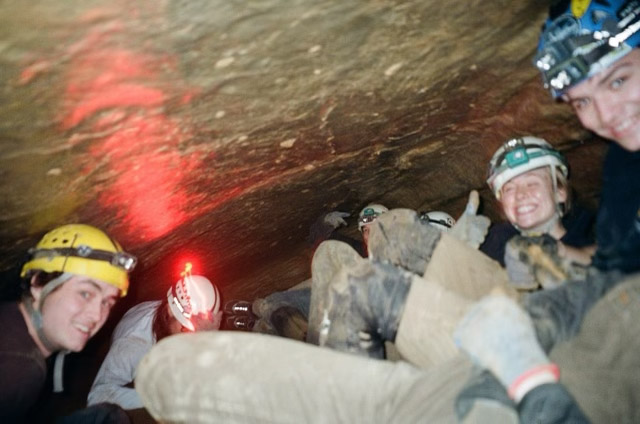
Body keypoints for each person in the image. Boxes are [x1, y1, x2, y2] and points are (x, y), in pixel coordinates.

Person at [134, 1, 640, 422]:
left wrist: (529, 378)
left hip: (520, 389)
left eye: (617, 82)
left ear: (563, 190)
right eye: (583, 103)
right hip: (510, 344)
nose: (605, 116)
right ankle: (318, 335)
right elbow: (602, 290)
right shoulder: (617, 177)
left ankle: (312, 338)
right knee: (169, 367)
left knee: (171, 370)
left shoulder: (584, 223)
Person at [0, 224, 137, 422]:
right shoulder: (19, 369)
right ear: (39, 283)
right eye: (85, 293)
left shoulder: (9, 317)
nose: (97, 315)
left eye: (107, 302)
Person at [88, 267, 222, 410]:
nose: (190, 338)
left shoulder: (171, 312)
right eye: (187, 329)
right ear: (170, 311)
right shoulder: (133, 346)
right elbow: (96, 397)